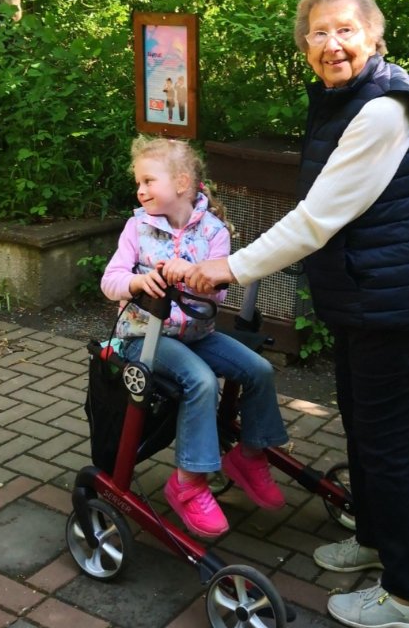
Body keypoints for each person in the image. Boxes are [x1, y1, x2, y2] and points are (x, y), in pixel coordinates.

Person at [178, 0, 409, 628]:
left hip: (392, 302)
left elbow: (318, 218)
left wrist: (228, 267)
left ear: (375, 35)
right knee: (362, 429)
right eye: (318, 33)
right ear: (304, 45)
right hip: (365, 296)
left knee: (384, 447)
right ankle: (374, 537)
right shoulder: (348, 98)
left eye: (345, 30)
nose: (332, 44)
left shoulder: (385, 109)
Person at [101, 134, 288, 539]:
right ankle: (188, 483)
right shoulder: (138, 228)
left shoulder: (214, 231)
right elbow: (110, 281)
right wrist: (138, 282)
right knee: (200, 380)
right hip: (144, 338)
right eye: (139, 182)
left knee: (258, 369)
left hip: (197, 334)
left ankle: (250, 456)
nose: (140, 190)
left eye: (149, 181)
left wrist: (190, 274)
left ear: (182, 183)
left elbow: (219, 293)